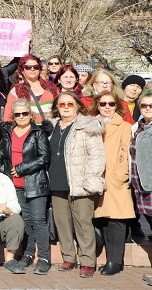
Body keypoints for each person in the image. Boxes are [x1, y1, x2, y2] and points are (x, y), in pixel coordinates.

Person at [48, 91, 105, 278]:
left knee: (83, 223)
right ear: (56, 106)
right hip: (57, 182)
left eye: (70, 104)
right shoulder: (52, 126)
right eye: (62, 104)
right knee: (62, 223)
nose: (65, 107)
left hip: (80, 183)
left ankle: (87, 261)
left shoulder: (87, 125)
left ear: (78, 106)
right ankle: (69, 257)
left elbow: (97, 156)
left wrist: (91, 182)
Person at [0, 98, 51, 275]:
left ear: (31, 114)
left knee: (38, 220)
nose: (21, 117)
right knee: (26, 221)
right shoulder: (8, 133)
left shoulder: (38, 133)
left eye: (24, 113)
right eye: (17, 114)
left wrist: (21, 169)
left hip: (35, 184)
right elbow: (3, 156)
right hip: (15, 186)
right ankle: (28, 254)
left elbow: (44, 157)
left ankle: (43, 258)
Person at [89, 91, 134, 275]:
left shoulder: (124, 126)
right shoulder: (92, 125)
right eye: (103, 104)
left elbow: (126, 151)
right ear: (97, 105)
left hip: (115, 179)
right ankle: (111, 260)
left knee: (117, 219)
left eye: (111, 104)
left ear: (117, 106)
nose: (107, 107)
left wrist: (119, 173)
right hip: (97, 179)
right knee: (104, 220)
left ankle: (115, 261)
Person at [131, 90, 152, 286]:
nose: (147, 108)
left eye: (151, 105)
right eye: (144, 105)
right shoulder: (138, 127)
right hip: (142, 187)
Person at [4, 54, 60, 125]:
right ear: (22, 70)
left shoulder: (51, 87)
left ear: (40, 69)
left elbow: (60, 108)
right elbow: (8, 117)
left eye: (36, 67)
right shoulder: (16, 91)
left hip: (51, 132)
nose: (32, 69)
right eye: (28, 67)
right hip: (29, 133)